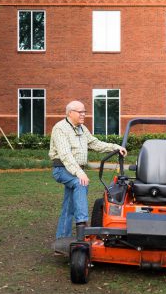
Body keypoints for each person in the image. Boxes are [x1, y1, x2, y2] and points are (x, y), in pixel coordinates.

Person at [49, 100, 127, 252]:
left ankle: (61, 240)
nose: (84, 114)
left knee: (69, 205)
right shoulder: (60, 128)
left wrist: (116, 147)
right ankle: (82, 226)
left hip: (75, 169)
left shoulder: (82, 129)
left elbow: (95, 144)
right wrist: (79, 172)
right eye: (80, 112)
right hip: (62, 168)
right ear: (70, 113)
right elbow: (65, 155)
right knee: (80, 183)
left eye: (84, 111)